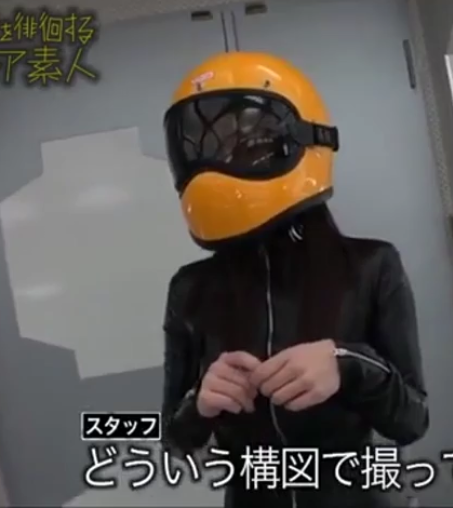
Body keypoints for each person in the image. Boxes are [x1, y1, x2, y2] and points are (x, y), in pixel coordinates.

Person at [159, 51, 429, 508]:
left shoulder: (372, 265)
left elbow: (411, 421)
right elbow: (175, 440)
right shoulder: (190, 289)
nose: (226, 161)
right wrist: (200, 402)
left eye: (249, 144)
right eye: (215, 148)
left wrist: (347, 363)